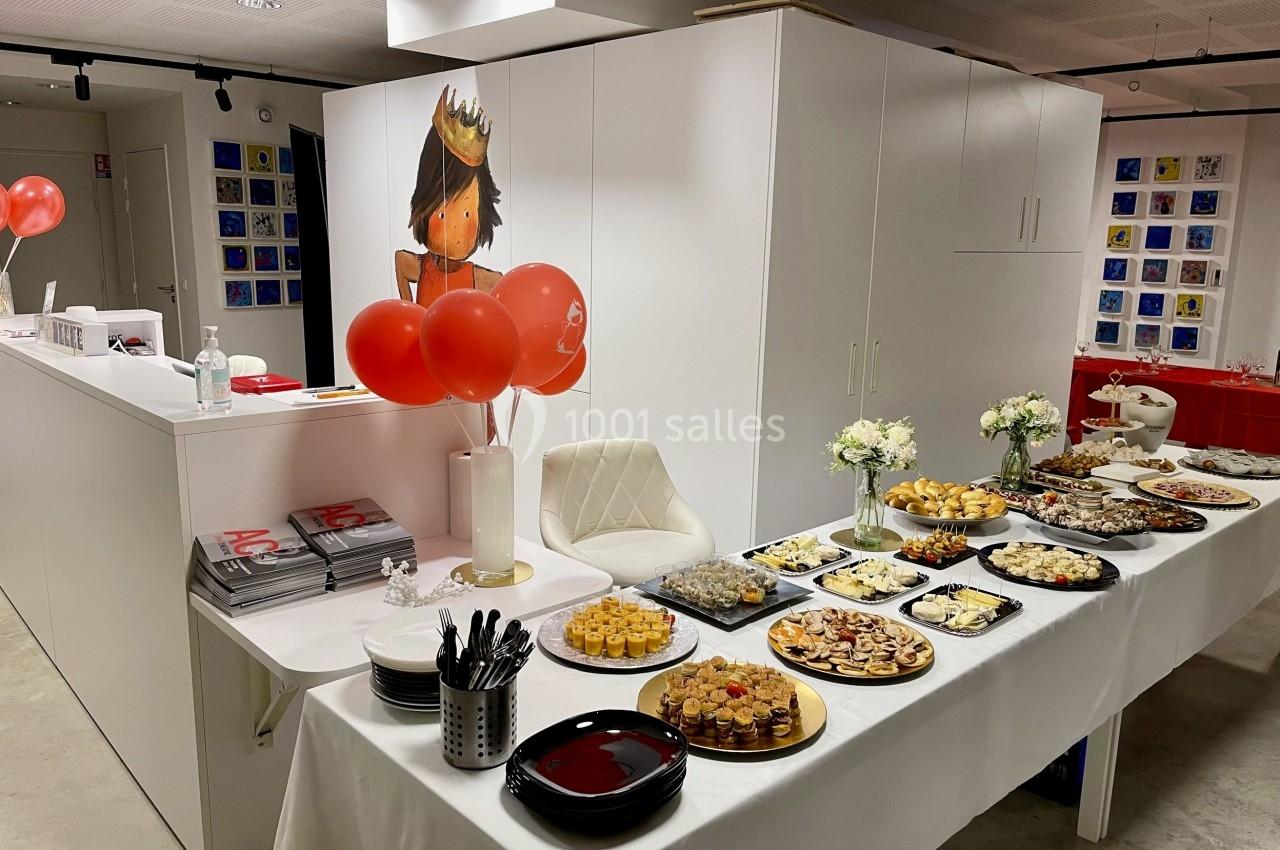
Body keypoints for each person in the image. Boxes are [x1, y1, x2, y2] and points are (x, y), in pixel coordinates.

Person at [395, 87, 503, 306]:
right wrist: (408, 309)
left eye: (466, 213)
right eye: (442, 214)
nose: (455, 230)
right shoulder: (421, 267)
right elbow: (402, 263)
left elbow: (500, 287)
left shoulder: (480, 278)